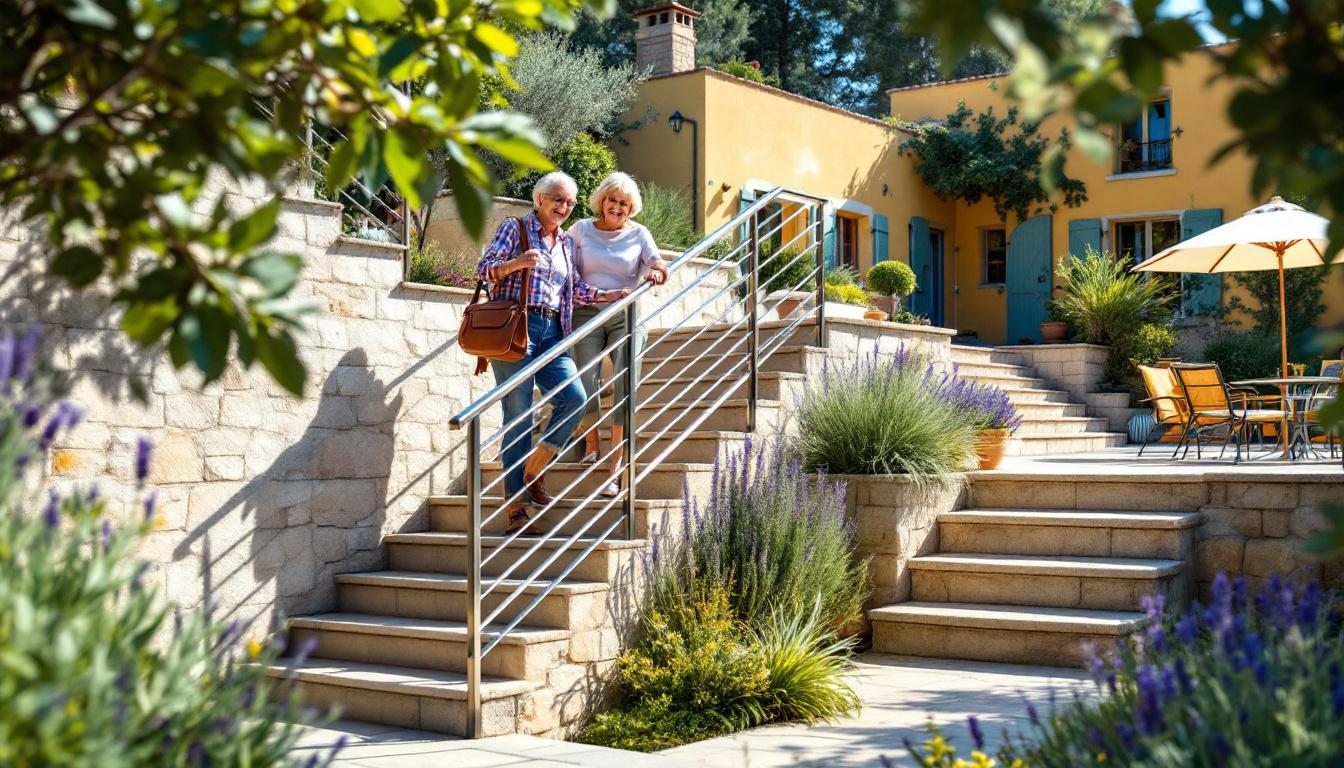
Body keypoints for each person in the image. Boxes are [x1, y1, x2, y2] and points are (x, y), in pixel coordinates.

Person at [476, 172, 630, 535]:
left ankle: (535, 468)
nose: (564, 208)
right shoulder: (515, 229)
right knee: (517, 414)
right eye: (558, 200)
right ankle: (516, 508)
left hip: (554, 333)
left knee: (575, 398)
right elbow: (485, 270)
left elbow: (574, 290)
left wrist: (609, 296)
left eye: (570, 203)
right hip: (517, 331)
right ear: (540, 199)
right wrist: (516, 264)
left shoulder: (564, 243)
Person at [568, 172, 670, 497]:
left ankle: (615, 468)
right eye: (612, 200)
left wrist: (656, 271)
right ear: (602, 200)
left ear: (631, 208)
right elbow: (566, 271)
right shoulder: (581, 229)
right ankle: (592, 440)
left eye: (624, 203)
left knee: (626, 382)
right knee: (584, 382)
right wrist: (598, 295)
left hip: (626, 313)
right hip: (587, 311)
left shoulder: (639, 233)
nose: (617, 206)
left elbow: (658, 264)